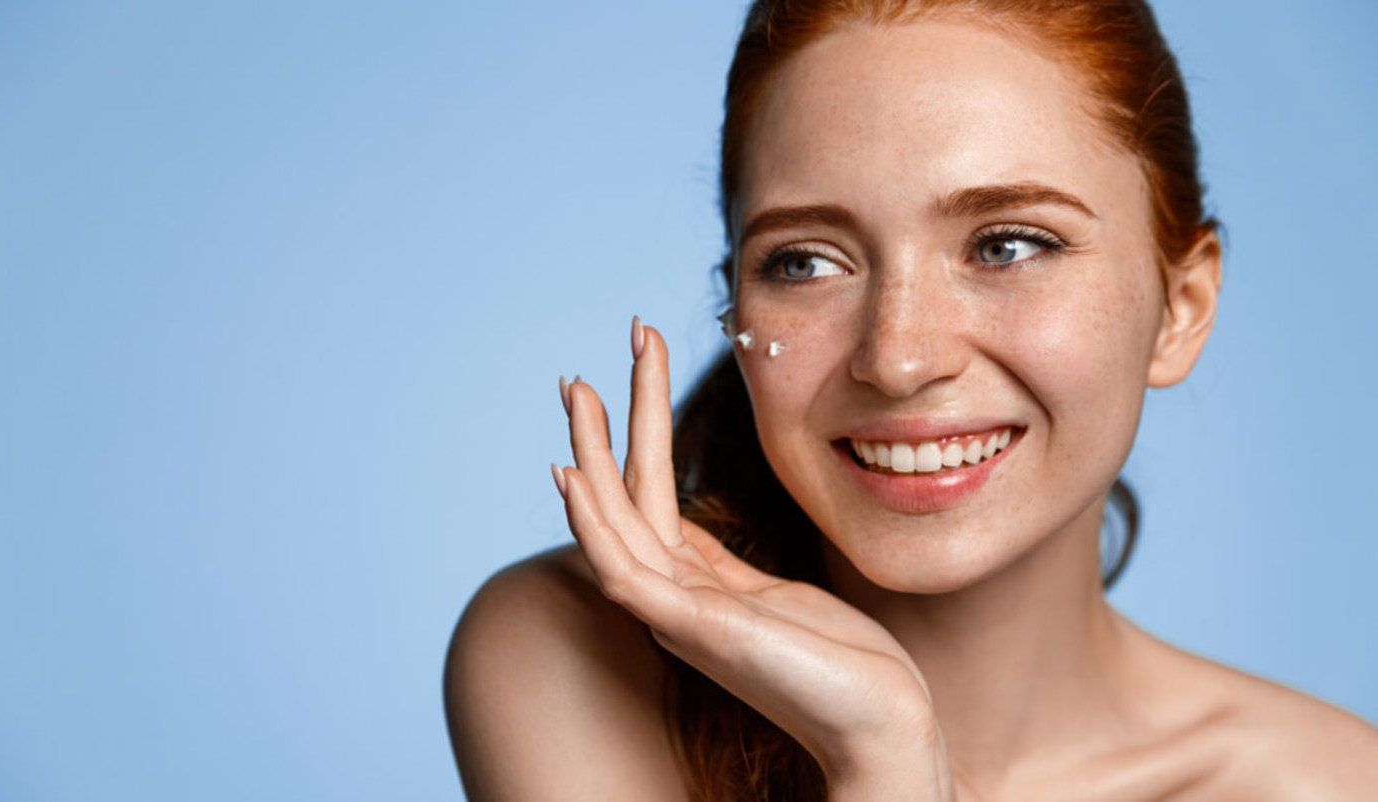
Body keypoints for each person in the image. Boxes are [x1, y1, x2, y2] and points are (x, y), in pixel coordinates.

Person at [444, 1, 1378, 798]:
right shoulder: (573, 653)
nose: (896, 361)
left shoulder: (1330, 783)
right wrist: (882, 752)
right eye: (804, 263)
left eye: (1007, 246)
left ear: (1181, 307)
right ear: (736, 301)